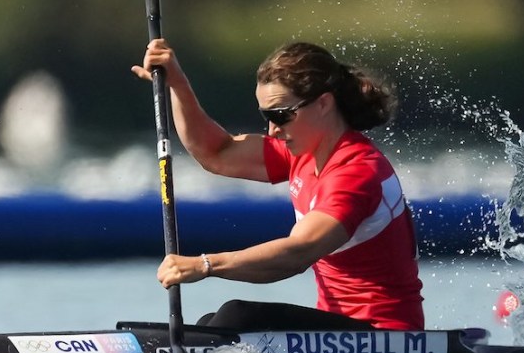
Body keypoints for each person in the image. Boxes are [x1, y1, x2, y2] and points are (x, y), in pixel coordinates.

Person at [133, 39, 424, 331]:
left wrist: (206, 265)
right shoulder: (303, 152)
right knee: (212, 324)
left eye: (281, 115)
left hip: (386, 334)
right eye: (266, 116)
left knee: (236, 316)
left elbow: (298, 254)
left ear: (323, 103)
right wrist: (177, 84)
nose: (272, 129)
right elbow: (215, 153)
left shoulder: (356, 171)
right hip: (341, 332)